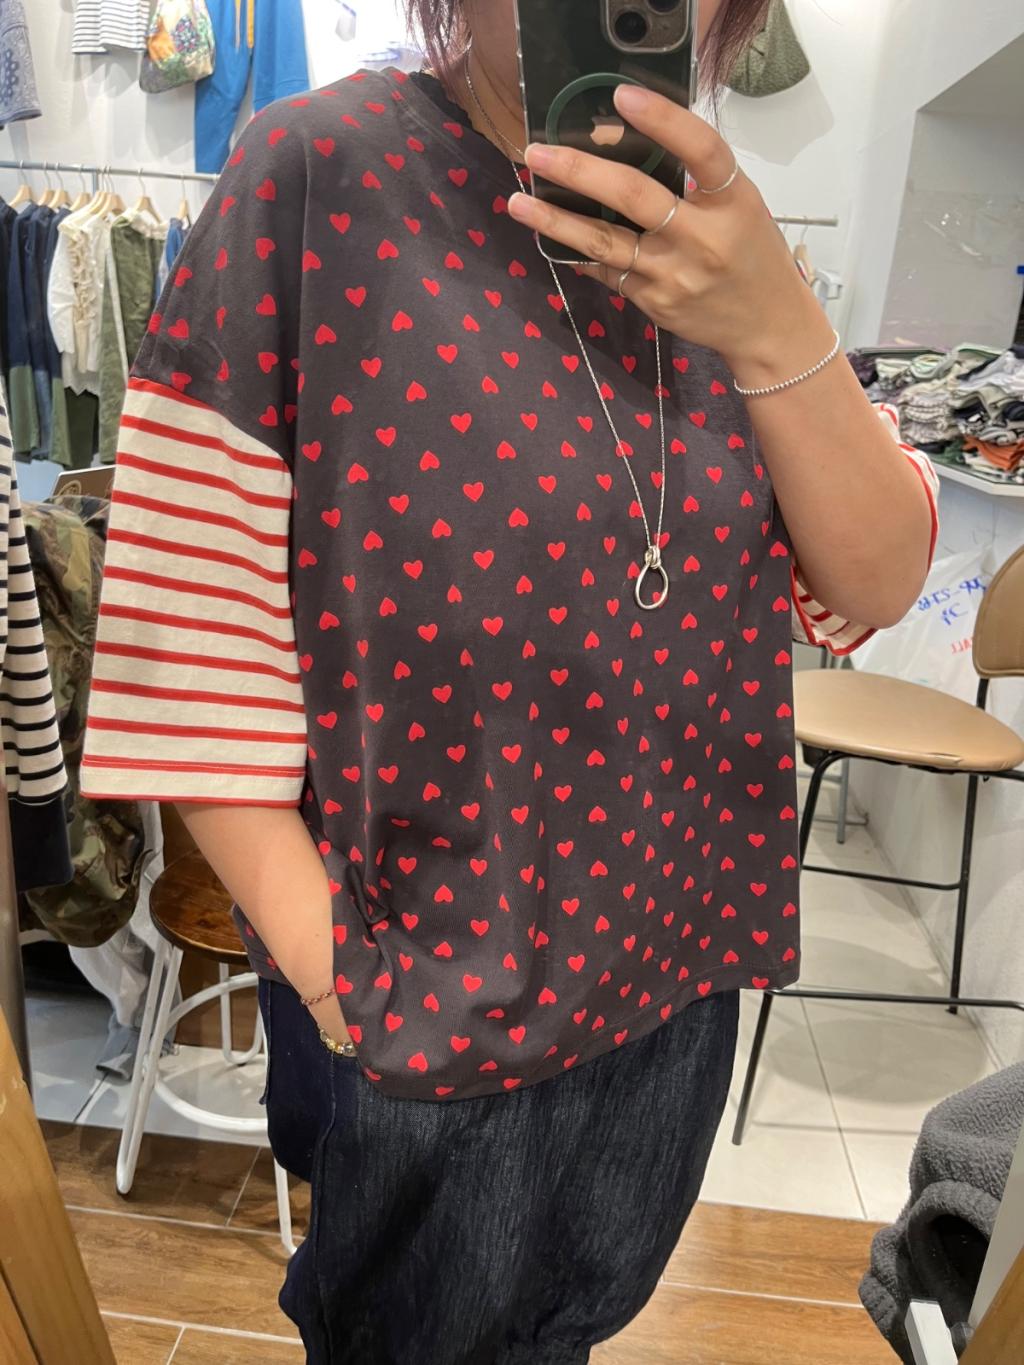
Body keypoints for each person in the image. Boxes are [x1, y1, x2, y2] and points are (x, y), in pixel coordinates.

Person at [80, 0, 940, 1359]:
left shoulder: (725, 244)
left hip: (676, 977)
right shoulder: (317, 174)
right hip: (425, 990)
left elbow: (875, 582)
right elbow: (188, 635)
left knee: (566, 1337)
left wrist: (778, 327)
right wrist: (337, 982)